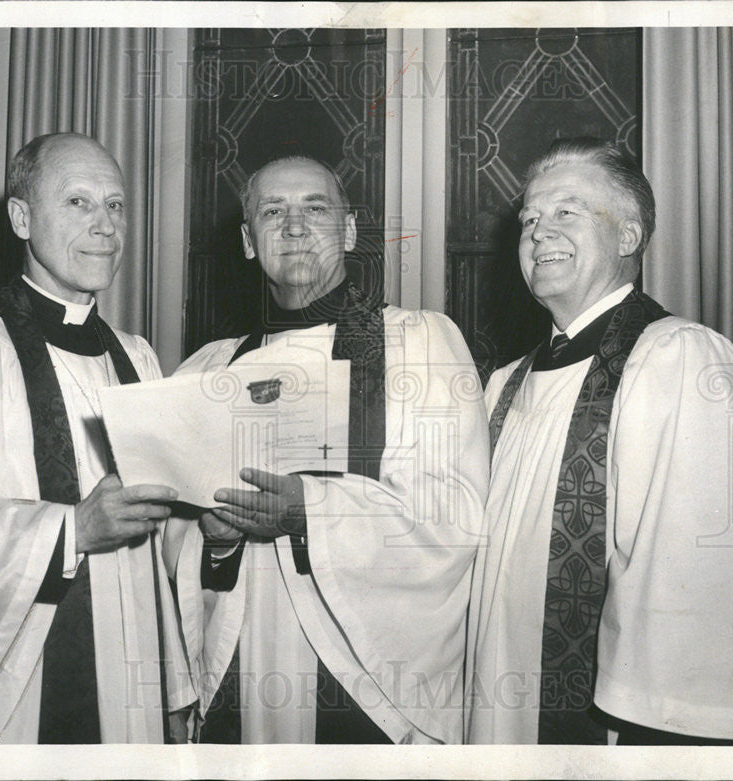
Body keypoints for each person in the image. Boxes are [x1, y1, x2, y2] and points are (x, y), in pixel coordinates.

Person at [465, 137, 733, 745]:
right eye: (530, 220)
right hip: (499, 710)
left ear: (628, 237)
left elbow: (698, 609)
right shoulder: (503, 385)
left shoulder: (679, 360)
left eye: (567, 212)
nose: (540, 233)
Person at [0, 133, 192, 744]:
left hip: (134, 690)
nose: (105, 227)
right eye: (77, 203)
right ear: (21, 218)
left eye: (116, 205)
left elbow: (154, 557)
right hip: (25, 693)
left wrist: (173, 688)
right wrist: (71, 531)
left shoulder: (138, 358)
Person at [164, 156, 489, 744]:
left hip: (365, 678)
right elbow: (173, 550)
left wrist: (309, 512)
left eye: (315, 207)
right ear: (246, 241)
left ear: (349, 230)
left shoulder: (420, 345)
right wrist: (216, 542)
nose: (293, 226)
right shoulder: (210, 368)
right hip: (240, 660)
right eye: (272, 211)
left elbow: (456, 522)